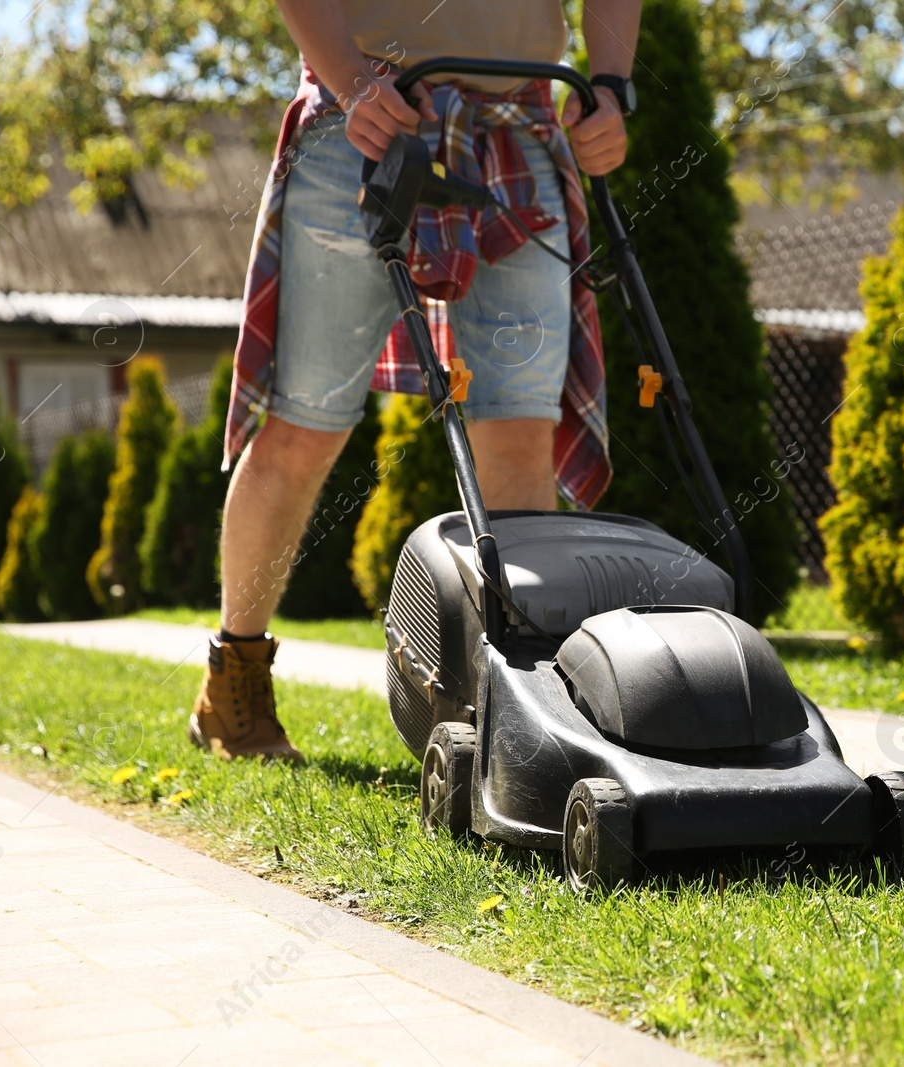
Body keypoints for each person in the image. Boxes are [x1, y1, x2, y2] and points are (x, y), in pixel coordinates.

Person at [190, 0, 640, 762]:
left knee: (523, 429)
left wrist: (610, 85)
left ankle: (516, 711)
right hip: (365, 118)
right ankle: (234, 683)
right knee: (305, 425)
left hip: (520, 124)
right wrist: (351, 81)